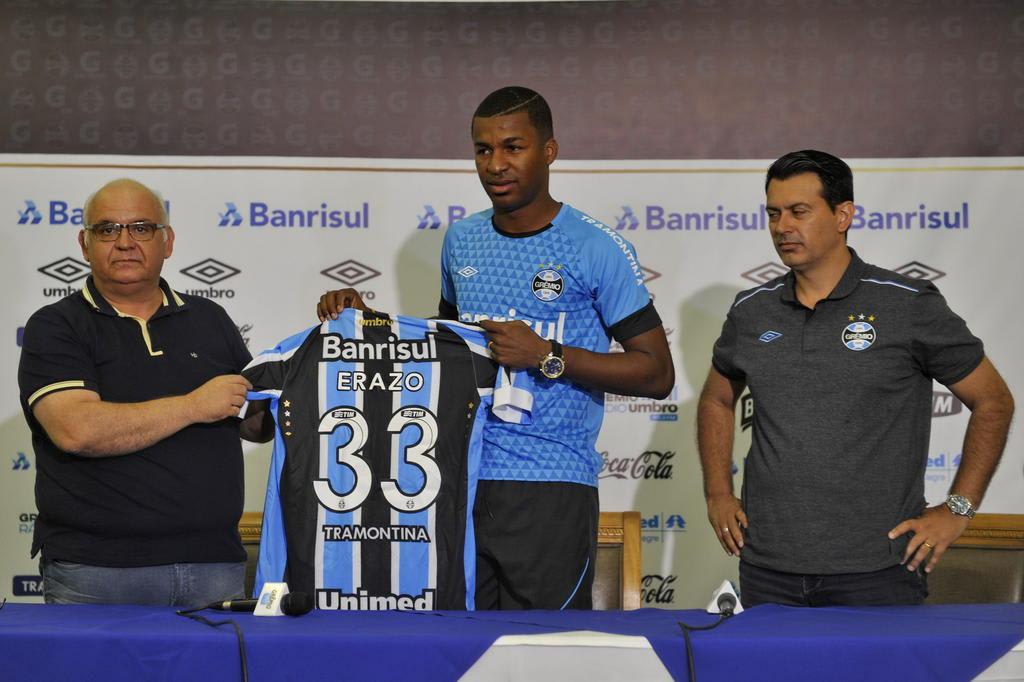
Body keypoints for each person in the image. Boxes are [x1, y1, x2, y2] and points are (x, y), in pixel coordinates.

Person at [317, 86, 674, 609]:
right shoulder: (462, 240)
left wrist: (547, 355)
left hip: (551, 485)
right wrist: (363, 322)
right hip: (456, 480)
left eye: (513, 147)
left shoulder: (595, 248)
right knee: (462, 651)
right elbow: (444, 352)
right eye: (483, 150)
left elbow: (656, 372)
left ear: (548, 151)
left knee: (547, 656)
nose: (496, 164)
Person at [697, 150, 1015, 607]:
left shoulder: (908, 304)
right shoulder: (752, 310)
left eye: (799, 211)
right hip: (768, 566)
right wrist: (716, 492)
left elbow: (994, 401)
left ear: (843, 214)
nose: (783, 226)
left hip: (879, 569)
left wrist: (958, 509)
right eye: (773, 213)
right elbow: (715, 399)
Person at [18, 178, 272, 607]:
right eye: (107, 229)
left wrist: (326, 358)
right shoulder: (56, 326)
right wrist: (194, 406)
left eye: (140, 228)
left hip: (213, 565)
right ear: (84, 243)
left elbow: (253, 423)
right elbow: (77, 430)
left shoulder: (210, 318)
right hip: (95, 574)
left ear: (166, 240)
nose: (124, 242)